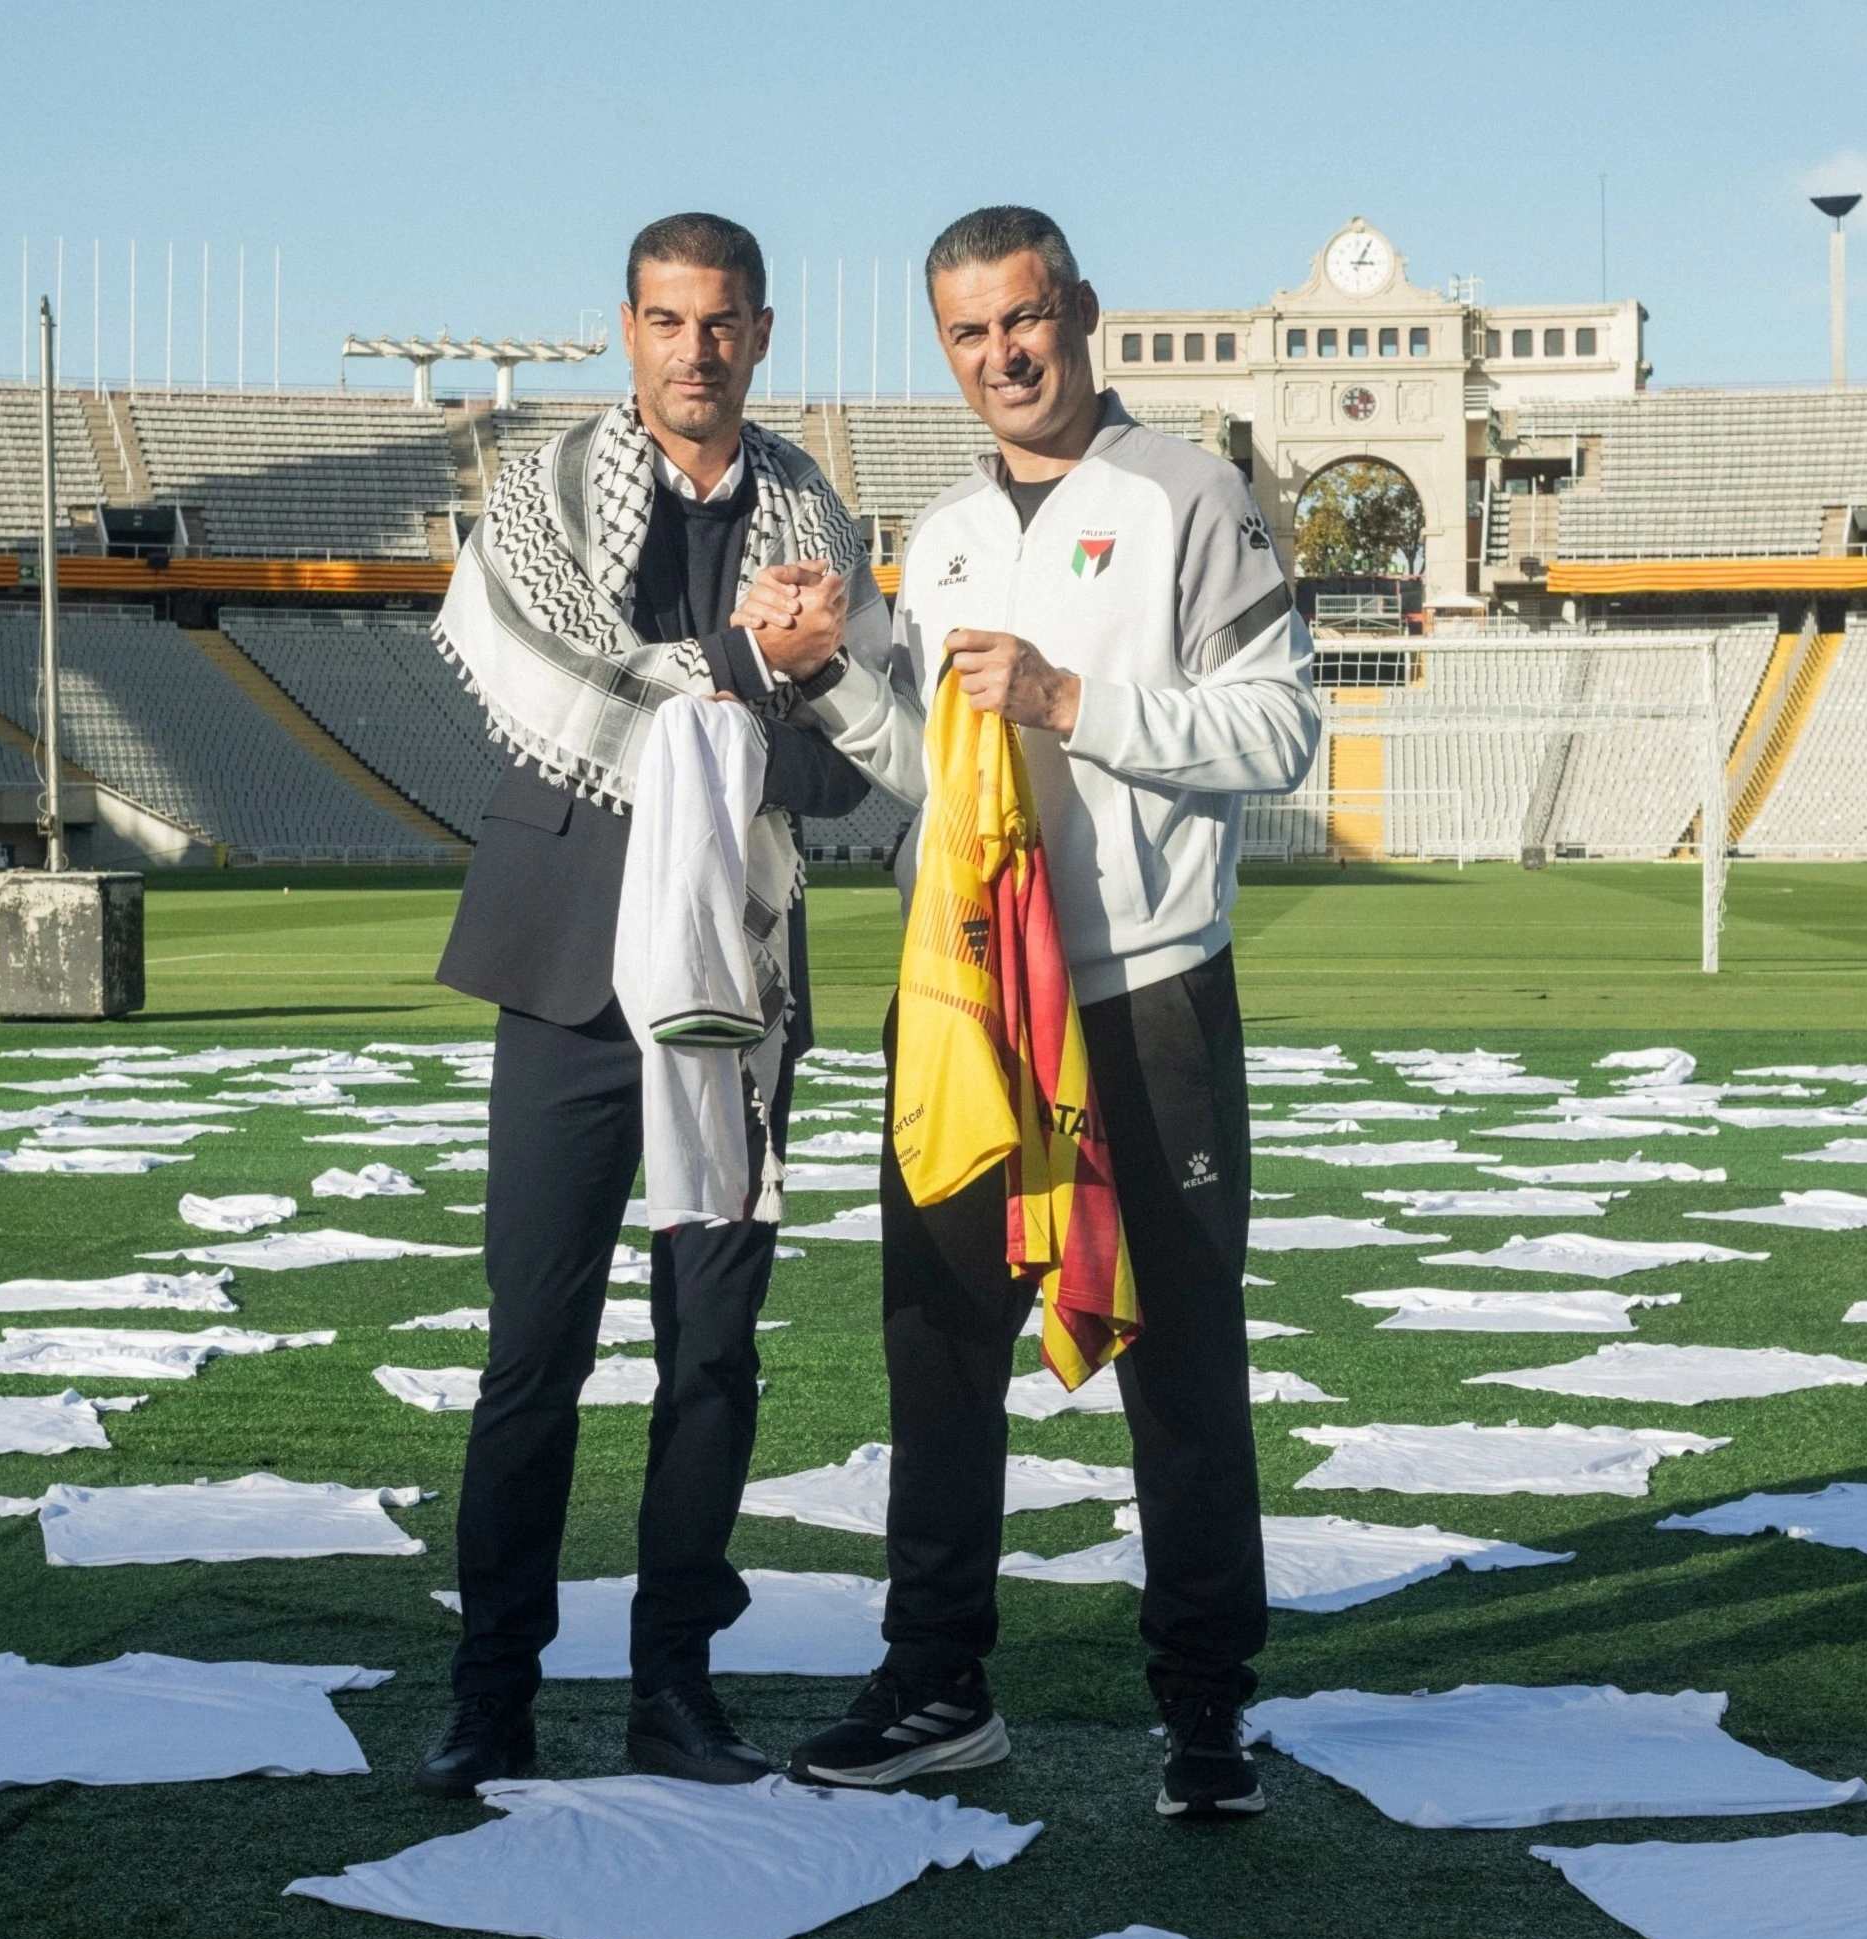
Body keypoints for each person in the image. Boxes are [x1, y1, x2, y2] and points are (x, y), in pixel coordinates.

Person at [786, 206, 1319, 1819]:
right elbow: (933, 772)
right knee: (939, 1344)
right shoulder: (942, 535)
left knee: (1179, 1354)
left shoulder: (1186, 496)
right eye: (968, 332)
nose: (1002, 355)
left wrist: (1071, 697)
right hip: (968, 995)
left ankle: (1207, 1707)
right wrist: (829, 676)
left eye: (1023, 318)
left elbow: (1282, 728)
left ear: (1080, 311)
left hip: (1143, 989)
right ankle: (938, 1683)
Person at [418, 211, 905, 1797]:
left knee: (711, 1351)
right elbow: (553, 688)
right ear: (627, 330)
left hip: (736, 979)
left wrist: (782, 684)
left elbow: (846, 762)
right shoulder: (547, 490)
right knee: (533, 1349)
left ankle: (674, 1684)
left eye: (724, 322)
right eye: (668, 320)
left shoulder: (814, 515)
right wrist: (750, 669)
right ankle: (490, 1690)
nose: (697, 349)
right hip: (566, 965)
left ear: (762, 334)